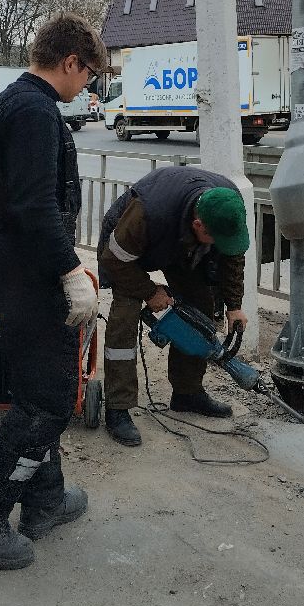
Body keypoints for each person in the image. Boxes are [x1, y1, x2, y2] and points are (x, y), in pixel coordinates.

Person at [0, 13, 106, 571]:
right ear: (70, 63)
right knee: (49, 400)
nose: (88, 86)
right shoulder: (36, 111)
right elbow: (35, 206)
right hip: (24, 269)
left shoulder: (15, 101)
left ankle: (45, 501)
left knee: (42, 383)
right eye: (88, 74)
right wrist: (69, 271)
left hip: (3, 261)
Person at [97, 166, 250, 447]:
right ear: (199, 224)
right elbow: (114, 260)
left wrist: (234, 305)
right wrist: (148, 291)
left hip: (179, 243)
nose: (220, 244)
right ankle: (118, 408)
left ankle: (187, 393)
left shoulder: (228, 205)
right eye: (215, 238)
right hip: (125, 251)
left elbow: (232, 257)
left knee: (200, 307)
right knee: (124, 317)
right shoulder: (147, 214)